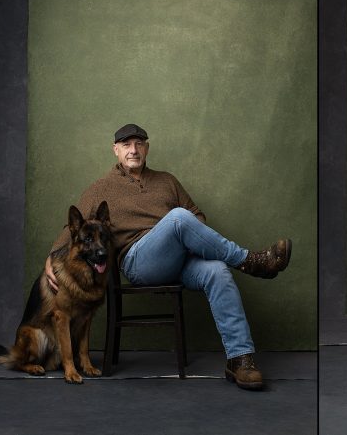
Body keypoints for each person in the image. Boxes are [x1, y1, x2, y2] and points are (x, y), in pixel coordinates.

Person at [45, 123, 291, 390]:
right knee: (177, 218)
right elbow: (72, 229)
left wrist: (186, 240)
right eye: (126, 145)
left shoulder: (167, 180)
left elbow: (197, 216)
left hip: (180, 259)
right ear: (115, 150)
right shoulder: (101, 187)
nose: (133, 150)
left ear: (147, 148)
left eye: (139, 144)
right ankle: (250, 261)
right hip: (139, 262)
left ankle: (240, 360)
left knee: (218, 270)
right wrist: (50, 258)